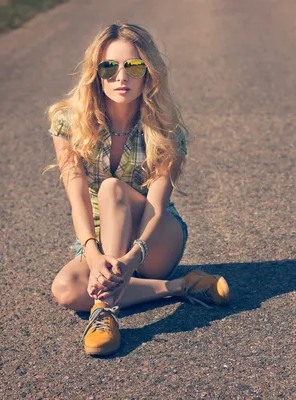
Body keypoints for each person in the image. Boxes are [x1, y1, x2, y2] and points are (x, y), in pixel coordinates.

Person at [47, 23, 231, 356]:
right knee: (66, 289)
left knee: (112, 189)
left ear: (148, 73)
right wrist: (94, 255)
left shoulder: (166, 131)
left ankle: (104, 312)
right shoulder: (68, 123)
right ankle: (180, 286)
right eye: (109, 67)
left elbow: (157, 207)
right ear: (96, 73)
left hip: (155, 238)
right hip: (102, 235)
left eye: (133, 66)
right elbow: (77, 201)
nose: (121, 77)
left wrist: (132, 259)